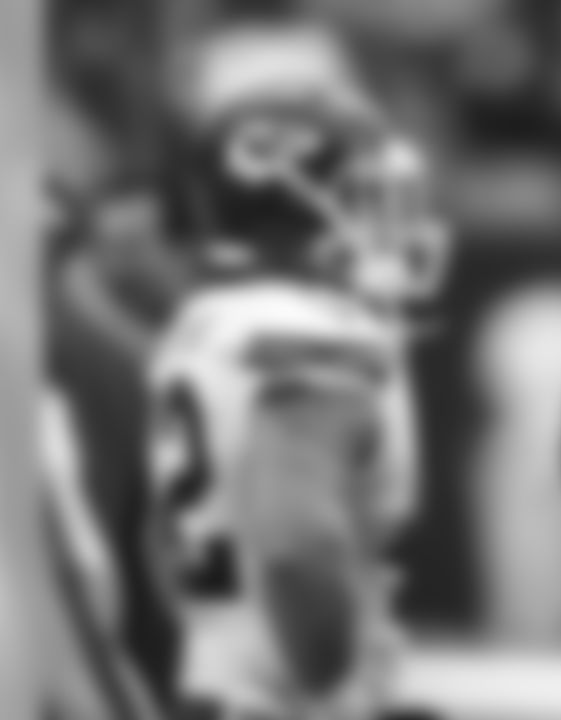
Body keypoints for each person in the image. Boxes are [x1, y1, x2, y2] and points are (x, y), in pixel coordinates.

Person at [146, 20, 444, 720]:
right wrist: (332, 685)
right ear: (310, 201)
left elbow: (159, 543)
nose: (388, 218)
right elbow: (294, 541)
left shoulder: (207, 322)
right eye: (366, 193)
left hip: (212, 682)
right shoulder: (313, 335)